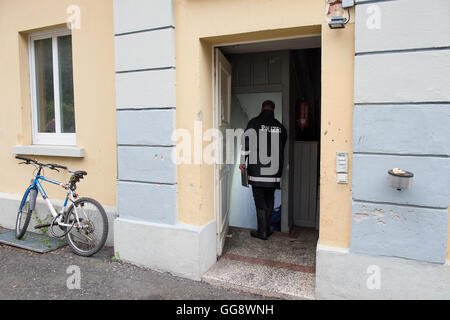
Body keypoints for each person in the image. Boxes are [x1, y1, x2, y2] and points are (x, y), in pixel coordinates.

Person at [239, 100, 287, 240]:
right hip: (273, 173)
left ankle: (262, 231)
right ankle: (266, 229)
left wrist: (243, 162)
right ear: (274, 109)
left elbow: (245, 144)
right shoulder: (280, 127)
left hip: (257, 172)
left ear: (262, 108)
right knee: (270, 199)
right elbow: (281, 147)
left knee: (259, 200)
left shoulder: (253, 123)